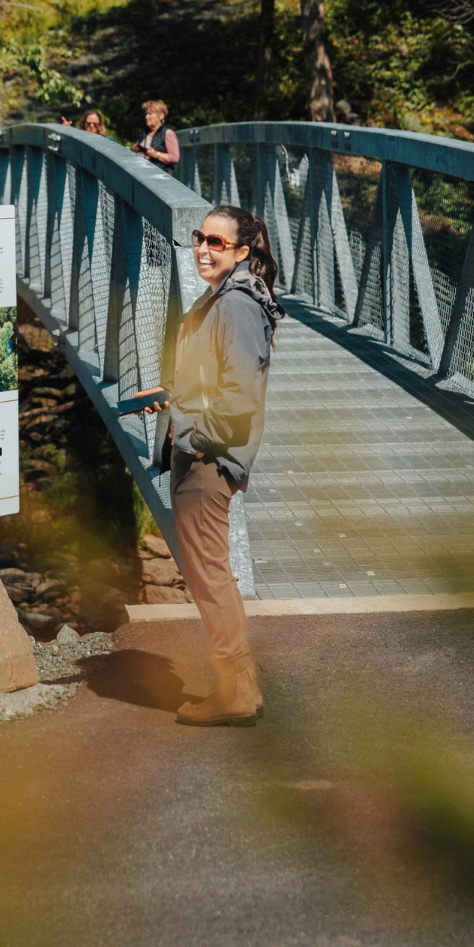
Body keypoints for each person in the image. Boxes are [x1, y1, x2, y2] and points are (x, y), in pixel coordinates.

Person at [140, 205, 284, 726]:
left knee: (209, 576)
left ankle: (237, 690)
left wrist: (196, 439)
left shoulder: (236, 304)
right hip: (202, 450)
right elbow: (214, 376)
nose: (203, 248)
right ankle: (239, 685)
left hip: (208, 460)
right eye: (200, 238)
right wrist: (173, 398)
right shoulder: (223, 296)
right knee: (207, 575)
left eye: (217, 243)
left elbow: (240, 397)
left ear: (242, 252)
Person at [132, 99, 180, 168]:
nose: (146, 117)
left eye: (150, 114)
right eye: (146, 114)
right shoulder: (144, 134)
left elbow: (175, 158)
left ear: (161, 116)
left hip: (161, 176)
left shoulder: (168, 133)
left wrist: (156, 154)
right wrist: (135, 150)